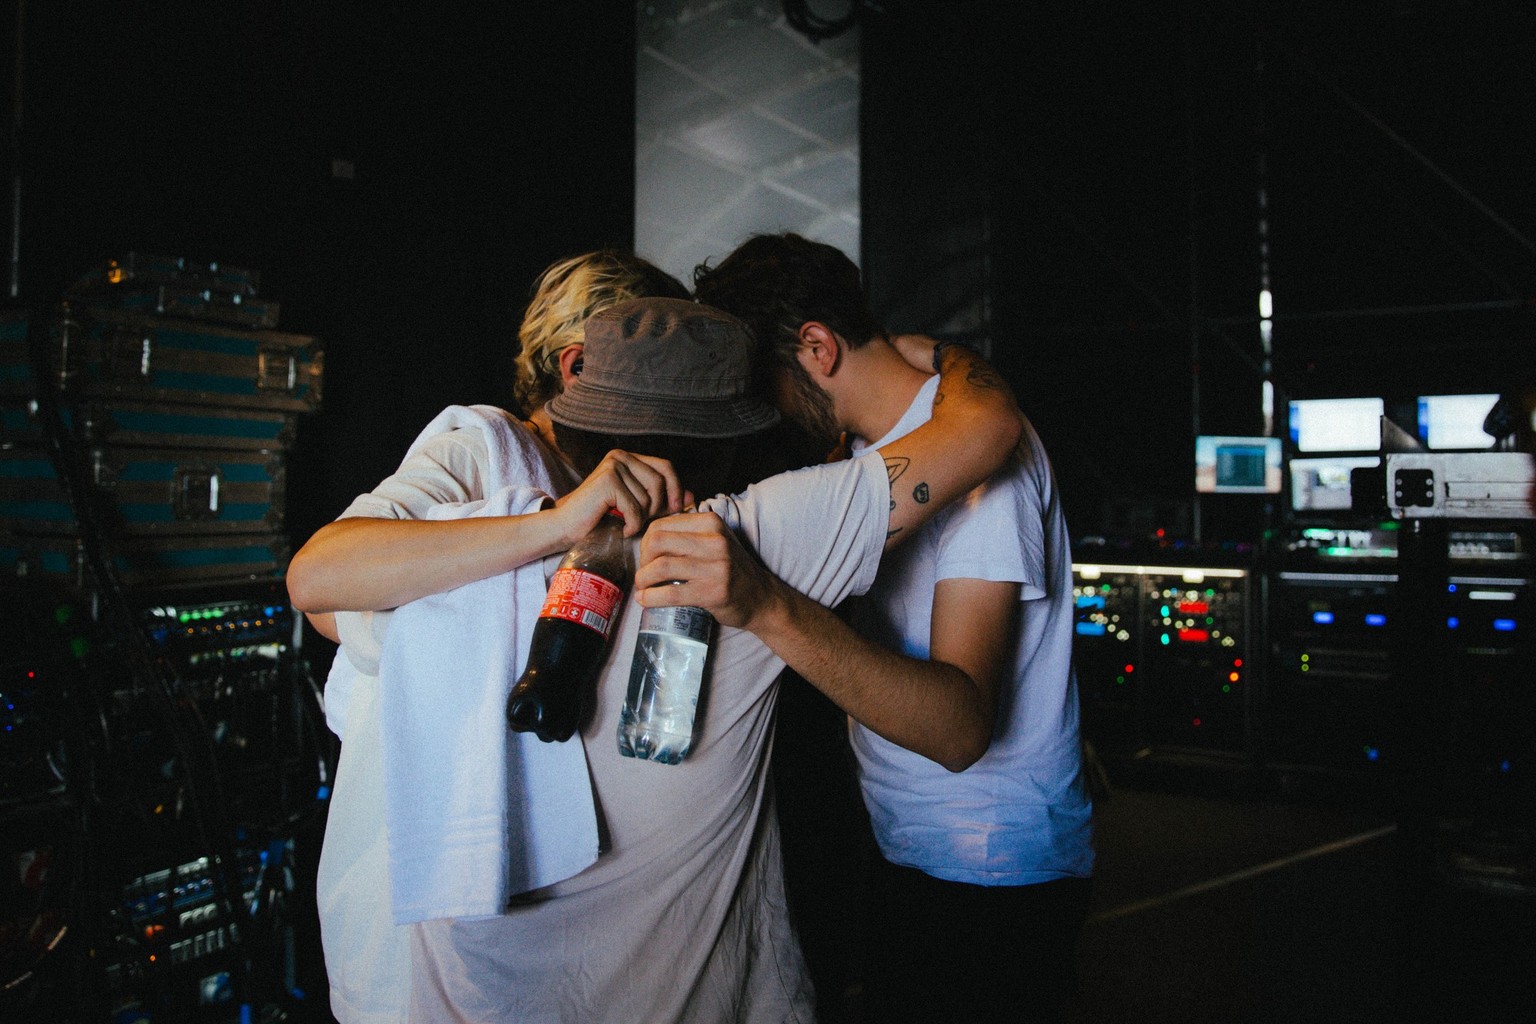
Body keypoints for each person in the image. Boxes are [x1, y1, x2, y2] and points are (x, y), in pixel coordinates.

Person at [287, 294, 1023, 1023]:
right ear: (732, 438)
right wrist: (934, 354)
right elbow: (985, 429)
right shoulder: (758, 536)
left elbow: (315, 586)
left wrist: (552, 527)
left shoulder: (442, 578)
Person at [692, 232, 1095, 1023]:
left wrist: (769, 606)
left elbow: (960, 727)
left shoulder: (985, 472)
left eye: (765, 383)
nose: (762, 411)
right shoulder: (891, 444)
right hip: (910, 842)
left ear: (816, 347)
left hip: (987, 865)